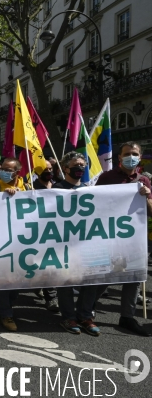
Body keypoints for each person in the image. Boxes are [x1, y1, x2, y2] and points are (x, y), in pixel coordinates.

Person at [94, 141, 152, 337]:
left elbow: (150, 212)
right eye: (126, 154)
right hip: (111, 237)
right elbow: (94, 206)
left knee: (133, 278)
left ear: (140, 156)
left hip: (135, 239)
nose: (130, 157)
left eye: (134, 153)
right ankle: (87, 310)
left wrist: (148, 196)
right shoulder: (106, 178)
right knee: (107, 275)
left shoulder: (144, 180)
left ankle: (127, 317)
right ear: (119, 158)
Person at [52, 152, 100, 336]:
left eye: (82, 164)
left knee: (91, 279)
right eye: (76, 164)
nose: (80, 167)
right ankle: (68, 316)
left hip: (86, 244)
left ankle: (85, 316)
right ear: (65, 168)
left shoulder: (89, 190)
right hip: (63, 244)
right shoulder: (56, 189)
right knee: (65, 280)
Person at [0, 157, 29, 331]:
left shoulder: (27, 188)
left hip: (21, 241)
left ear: (17, 172)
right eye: (2, 168)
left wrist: (21, 194)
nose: (3, 172)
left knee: (17, 281)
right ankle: (6, 314)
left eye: (8, 169)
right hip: (0, 240)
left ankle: (8, 305)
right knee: (4, 280)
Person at [31, 160, 60, 313]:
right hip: (39, 232)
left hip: (56, 231)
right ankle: (49, 294)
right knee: (43, 264)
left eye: (50, 168)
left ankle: (51, 296)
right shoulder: (32, 188)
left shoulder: (58, 186)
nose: (48, 171)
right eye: (44, 169)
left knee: (52, 265)